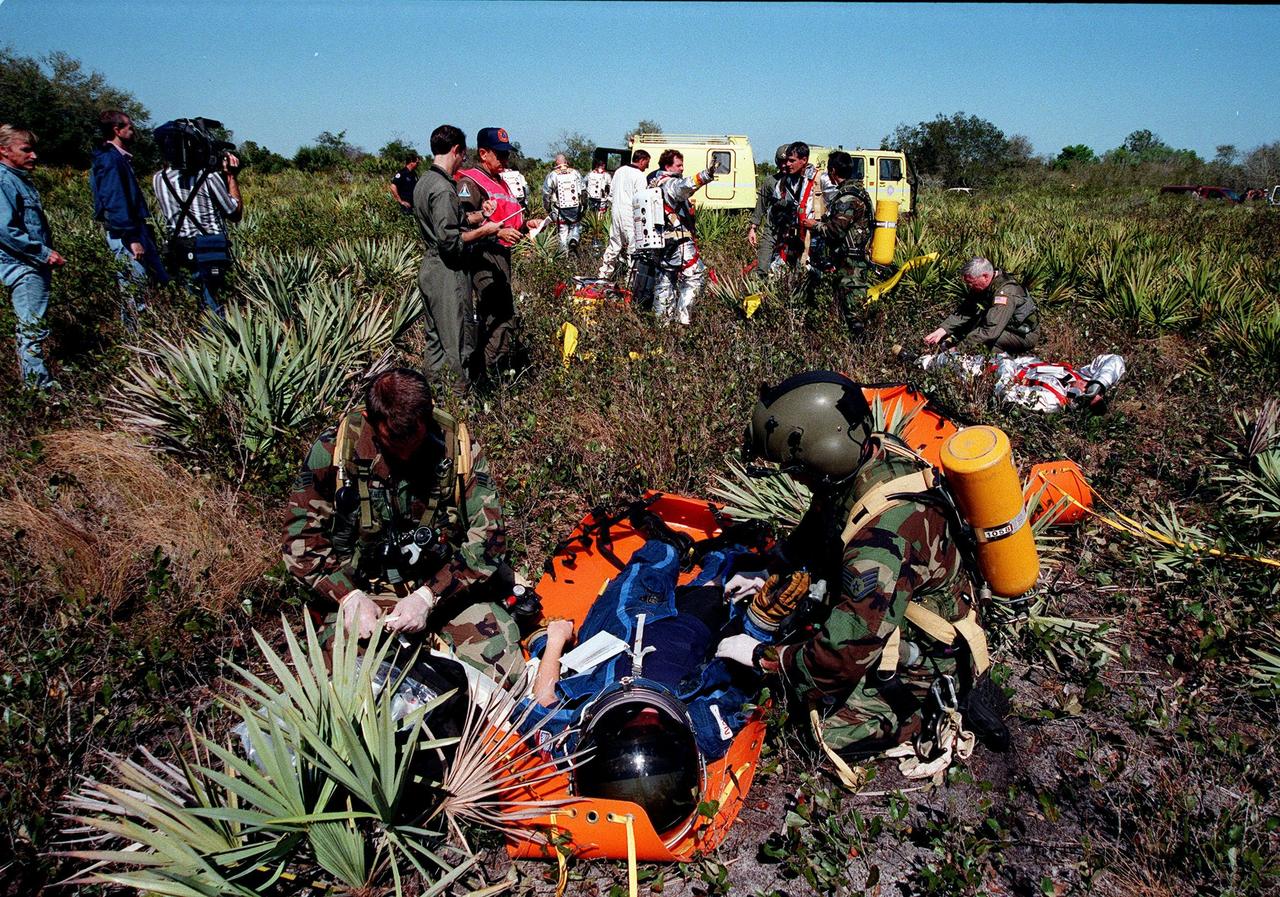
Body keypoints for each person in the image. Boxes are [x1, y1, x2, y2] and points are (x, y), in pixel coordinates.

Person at [716, 371, 1005, 777]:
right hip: (893, 609)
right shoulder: (872, 456)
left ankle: (921, 714)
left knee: (808, 730)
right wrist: (771, 567)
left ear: (821, 456)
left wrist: (760, 657)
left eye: (795, 467)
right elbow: (823, 522)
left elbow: (835, 663)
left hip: (925, 659)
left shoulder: (879, 544)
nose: (794, 476)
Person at [282, 367, 523, 682]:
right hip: (366, 590)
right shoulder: (335, 451)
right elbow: (300, 542)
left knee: (508, 673)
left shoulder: (457, 448)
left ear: (428, 416)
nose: (406, 452)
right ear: (371, 420)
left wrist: (429, 596)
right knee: (348, 690)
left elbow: (488, 540)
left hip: (444, 585)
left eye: (415, 440)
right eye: (393, 441)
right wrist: (347, 597)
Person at [412, 124, 507, 386]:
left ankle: (433, 395)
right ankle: (457, 401)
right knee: (457, 342)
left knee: (435, 341)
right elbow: (450, 240)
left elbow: (454, 220)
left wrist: (479, 216)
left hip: (430, 268)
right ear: (456, 150)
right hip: (448, 271)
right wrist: (486, 230)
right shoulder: (443, 188)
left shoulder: (425, 182)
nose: (462, 161)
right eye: (463, 156)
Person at [455, 127, 543, 384]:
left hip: (501, 259)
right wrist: (496, 234)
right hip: (483, 259)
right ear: (483, 153)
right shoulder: (469, 183)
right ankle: (487, 380)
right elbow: (463, 226)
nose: (505, 160)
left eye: (507, 154)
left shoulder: (500, 181)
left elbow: (506, 219)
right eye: (500, 155)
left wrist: (526, 226)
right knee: (498, 318)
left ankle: (491, 373)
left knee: (500, 317)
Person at [152, 121, 243, 316]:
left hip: (180, 250)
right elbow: (234, 213)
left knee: (193, 307)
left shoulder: (159, 179)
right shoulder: (209, 178)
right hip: (210, 251)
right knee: (216, 307)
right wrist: (231, 177)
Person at [0, 125, 66, 390]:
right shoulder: (4, 181)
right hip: (24, 266)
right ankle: (39, 389)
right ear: (3, 150)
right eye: (25, 150)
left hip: (27, 264)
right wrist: (43, 253)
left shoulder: (16, 179)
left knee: (31, 327)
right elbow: (4, 229)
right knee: (31, 329)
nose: (34, 155)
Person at [90, 110, 169, 326]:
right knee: (135, 292)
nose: (133, 131)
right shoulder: (110, 161)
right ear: (117, 130)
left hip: (134, 230)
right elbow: (115, 202)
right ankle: (137, 344)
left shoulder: (118, 159)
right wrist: (132, 238)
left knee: (157, 281)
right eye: (130, 127)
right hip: (126, 234)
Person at [632, 149, 717, 325]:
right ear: (667, 166)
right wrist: (706, 175)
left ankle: (661, 322)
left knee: (664, 281)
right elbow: (685, 186)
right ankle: (683, 319)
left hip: (661, 242)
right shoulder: (670, 184)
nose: (682, 168)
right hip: (679, 242)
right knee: (695, 275)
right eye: (678, 165)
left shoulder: (654, 183)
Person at [806, 151, 873, 330]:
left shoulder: (847, 198)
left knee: (853, 311)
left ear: (833, 171)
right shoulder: (858, 191)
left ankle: (860, 350)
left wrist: (813, 225)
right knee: (846, 308)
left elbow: (835, 231)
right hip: (850, 260)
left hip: (851, 265)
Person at [924, 257, 1041, 354]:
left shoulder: (1005, 293)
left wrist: (958, 350)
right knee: (968, 331)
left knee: (988, 342)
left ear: (985, 276)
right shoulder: (982, 285)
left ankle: (997, 371)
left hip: (1023, 334)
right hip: (1002, 325)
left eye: (971, 283)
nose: (970, 287)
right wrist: (942, 330)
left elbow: (990, 331)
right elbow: (966, 311)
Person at [597, 149, 649, 282]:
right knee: (634, 247)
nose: (647, 166)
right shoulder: (639, 175)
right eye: (646, 163)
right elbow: (641, 198)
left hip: (616, 211)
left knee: (614, 243)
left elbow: (611, 193)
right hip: (631, 214)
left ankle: (603, 275)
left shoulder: (619, 171)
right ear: (642, 160)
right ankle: (630, 281)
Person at [768, 141, 820, 273]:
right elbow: (773, 209)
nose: (787, 164)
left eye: (792, 160)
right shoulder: (783, 182)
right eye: (787, 161)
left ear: (804, 160)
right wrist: (780, 212)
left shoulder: (821, 180)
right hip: (789, 238)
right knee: (776, 273)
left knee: (810, 275)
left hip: (812, 240)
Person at [746, 144, 787, 276]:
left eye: (787, 162)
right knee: (763, 263)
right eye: (781, 162)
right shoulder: (770, 182)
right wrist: (753, 227)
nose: (784, 165)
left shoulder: (800, 182)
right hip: (772, 228)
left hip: (792, 230)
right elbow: (761, 206)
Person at [542, 154, 585, 252]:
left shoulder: (553, 174)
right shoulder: (575, 173)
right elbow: (583, 191)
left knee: (562, 231)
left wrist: (547, 208)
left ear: (556, 162)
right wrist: (584, 206)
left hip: (560, 209)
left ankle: (563, 255)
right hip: (575, 208)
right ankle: (574, 239)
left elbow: (546, 193)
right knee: (575, 226)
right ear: (566, 162)